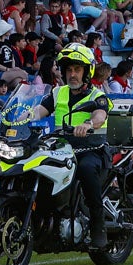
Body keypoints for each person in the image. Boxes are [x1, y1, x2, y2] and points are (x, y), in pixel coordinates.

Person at [31, 43, 112, 250]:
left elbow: (100, 115)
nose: (72, 74)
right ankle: (41, 224)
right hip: (62, 150)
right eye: (69, 70)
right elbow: (38, 111)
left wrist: (88, 125)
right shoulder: (58, 93)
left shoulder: (97, 96)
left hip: (91, 150)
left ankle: (98, 223)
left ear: (87, 72)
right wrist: (15, 121)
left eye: (77, 69)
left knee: (85, 169)